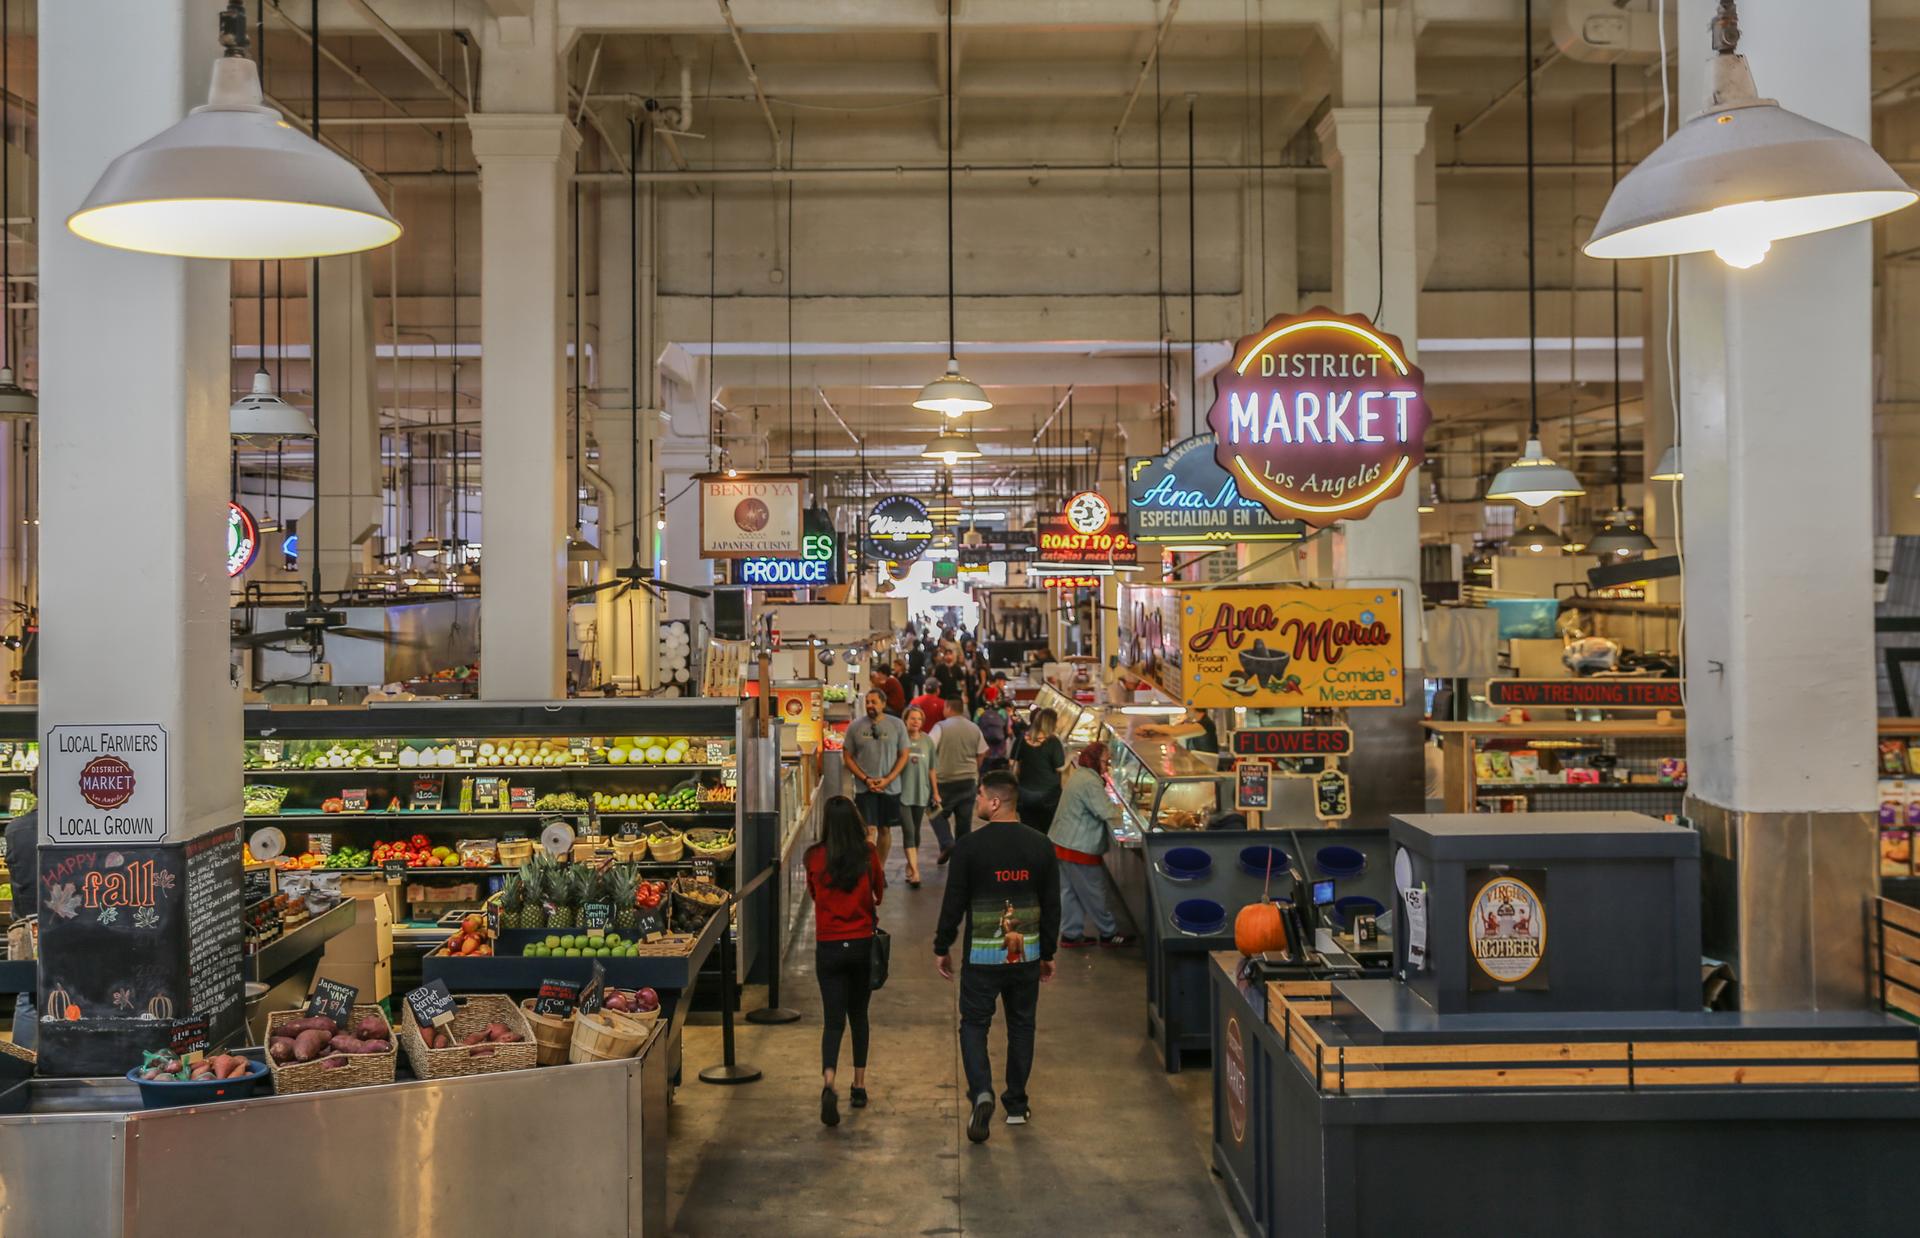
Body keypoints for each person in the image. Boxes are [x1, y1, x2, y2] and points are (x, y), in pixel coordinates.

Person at [934, 770, 1060, 1143]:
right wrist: (1048, 952)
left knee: (974, 1024)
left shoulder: (969, 848)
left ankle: (982, 1091)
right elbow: (1052, 904)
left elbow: (953, 902)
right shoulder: (1041, 845)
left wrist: (942, 946)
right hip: (1027, 954)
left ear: (994, 801)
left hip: (983, 956)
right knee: (1022, 1025)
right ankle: (1017, 1104)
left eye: (979, 797)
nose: (975, 804)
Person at [805, 796, 884, 1126]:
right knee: (859, 1016)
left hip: (829, 946)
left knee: (833, 1020)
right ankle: (859, 1086)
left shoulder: (814, 857)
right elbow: (879, 893)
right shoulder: (867, 854)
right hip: (862, 945)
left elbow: (813, 893)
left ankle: (828, 1084)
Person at [1047, 744, 1132, 947]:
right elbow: (1105, 811)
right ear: (1094, 759)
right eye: (1105, 761)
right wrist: (1120, 809)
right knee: (1093, 891)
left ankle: (1070, 934)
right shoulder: (1090, 782)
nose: (1107, 765)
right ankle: (1109, 933)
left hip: (1063, 841)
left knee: (1070, 892)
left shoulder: (1081, 774)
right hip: (1079, 846)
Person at [841, 690, 910, 871]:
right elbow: (847, 756)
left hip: (890, 787)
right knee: (869, 830)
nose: (870, 705)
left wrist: (889, 779)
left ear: (883, 703)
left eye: (874, 702)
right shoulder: (855, 727)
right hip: (865, 789)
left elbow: (904, 755)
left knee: (885, 829)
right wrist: (864, 778)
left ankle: (880, 868)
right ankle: (868, 870)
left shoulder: (897, 725)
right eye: (868, 702)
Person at [927, 695, 987, 865]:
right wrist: (974, 768)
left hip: (945, 780)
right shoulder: (974, 728)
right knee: (964, 821)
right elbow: (982, 752)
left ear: (947, 707)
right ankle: (963, 858)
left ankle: (947, 843)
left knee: (934, 811)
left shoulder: (940, 727)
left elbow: (929, 748)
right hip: (968, 780)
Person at [4, 809, 35, 1052]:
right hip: (72, 921)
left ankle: (23, 1061)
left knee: (28, 998)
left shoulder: (15, 829)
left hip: (28, 924)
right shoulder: (68, 825)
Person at [1012, 708, 1067, 831]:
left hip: (1025, 792)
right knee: (1047, 830)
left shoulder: (1022, 738)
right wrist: (1071, 758)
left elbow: (1013, 763)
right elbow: (1060, 767)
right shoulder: (1053, 742)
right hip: (1048, 794)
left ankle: (1031, 849)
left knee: (1028, 829)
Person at [897, 706, 934, 887]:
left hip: (922, 793)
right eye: (912, 718)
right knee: (909, 831)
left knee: (916, 832)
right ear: (905, 720)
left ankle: (910, 865)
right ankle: (916, 871)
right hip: (902, 793)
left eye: (919, 719)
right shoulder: (899, 740)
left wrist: (935, 792)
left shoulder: (928, 741)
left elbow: (932, 769)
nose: (915, 722)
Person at [977, 695, 1010, 771]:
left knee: (985, 775)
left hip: (985, 751)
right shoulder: (1002, 712)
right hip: (1000, 751)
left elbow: (975, 730)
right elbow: (1008, 731)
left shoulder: (979, 711)